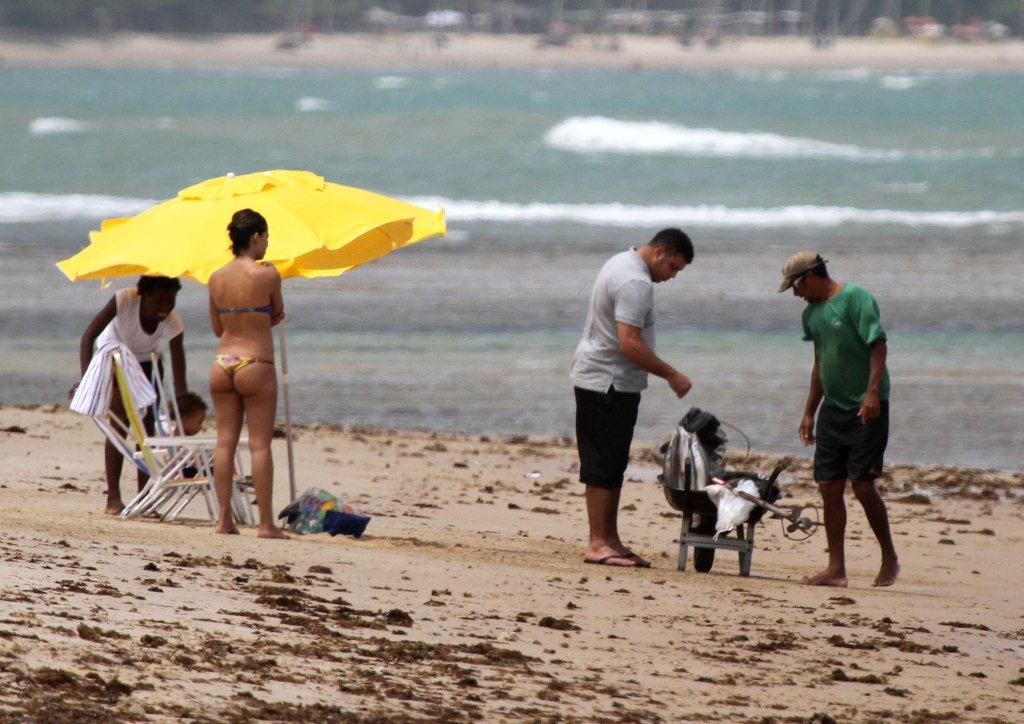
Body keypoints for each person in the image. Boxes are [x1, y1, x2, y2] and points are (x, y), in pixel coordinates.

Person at [571, 229, 695, 568]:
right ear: (658, 252)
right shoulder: (635, 283)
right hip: (607, 381)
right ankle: (598, 543)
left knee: (612, 463)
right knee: (601, 463)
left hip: (606, 378)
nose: (671, 277)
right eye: (673, 267)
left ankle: (610, 541)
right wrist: (672, 374)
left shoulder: (621, 262)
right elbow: (630, 343)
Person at [781, 251, 899, 587]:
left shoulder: (855, 299)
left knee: (862, 484)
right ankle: (836, 569)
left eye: (795, 286)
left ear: (809, 276)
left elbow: (877, 345)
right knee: (829, 486)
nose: (795, 293)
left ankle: (888, 555)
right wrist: (808, 412)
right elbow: (820, 362)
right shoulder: (811, 315)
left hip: (866, 408)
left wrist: (872, 392)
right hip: (832, 410)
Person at [71, 276, 187, 515]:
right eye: (159, 301)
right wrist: (86, 381)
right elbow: (88, 336)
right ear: (142, 296)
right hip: (113, 356)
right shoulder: (124, 299)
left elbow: (178, 369)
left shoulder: (173, 321)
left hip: (146, 362)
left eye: (171, 300)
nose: (165, 307)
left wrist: (182, 405)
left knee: (147, 429)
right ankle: (113, 498)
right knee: (120, 423)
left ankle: (145, 497)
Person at [208, 208, 286, 539]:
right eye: (266, 237)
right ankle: (265, 524)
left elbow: (217, 327)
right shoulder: (267, 275)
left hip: (222, 362)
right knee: (259, 446)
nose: (268, 244)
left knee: (224, 443)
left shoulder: (215, 277)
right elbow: (277, 314)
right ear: (255, 237)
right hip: (256, 362)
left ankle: (224, 520)